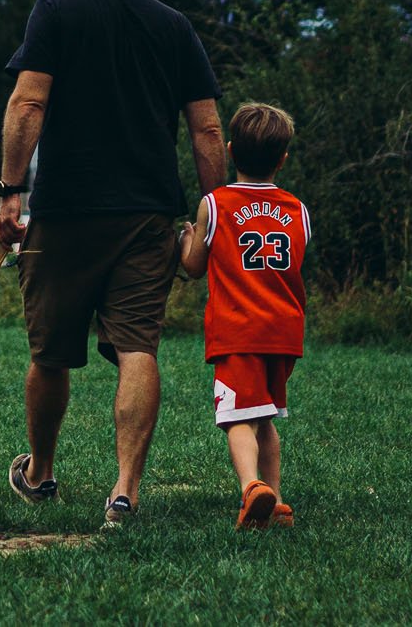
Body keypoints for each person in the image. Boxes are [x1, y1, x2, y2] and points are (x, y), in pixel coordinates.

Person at [0, 0, 225, 529]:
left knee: (50, 351)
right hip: (149, 214)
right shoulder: (172, 24)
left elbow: (26, 105)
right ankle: (124, 490)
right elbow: (206, 130)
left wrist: (10, 190)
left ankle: (40, 474)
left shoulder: (55, 12)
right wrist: (214, 212)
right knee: (136, 346)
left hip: (65, 211)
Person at [178, 102, 308, 530]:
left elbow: (195, 267)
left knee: (236, 419)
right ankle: (277, 501)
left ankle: (252, 488)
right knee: (264, 416)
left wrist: (186, 239)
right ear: (283, 159)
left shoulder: (215, 204)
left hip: (238, 331)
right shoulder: (297, 210)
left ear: (230, 152)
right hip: (283, 332)